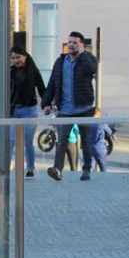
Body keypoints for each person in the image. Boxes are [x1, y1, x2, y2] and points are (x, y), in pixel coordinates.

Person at [42, 31, 99, 181]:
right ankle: (57, 170)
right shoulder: (60, 62)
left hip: (84, 109)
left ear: (82, 45)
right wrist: (46, 103)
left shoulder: (87, 59)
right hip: (65, 110)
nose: (71, 45)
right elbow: (52, 84)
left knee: (86, 141)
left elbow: (92, 69)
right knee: (61, 141)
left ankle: (86, 170)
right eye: (69, 42)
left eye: (75, 42)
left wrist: (84, 54)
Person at [9, 46, 46, 177]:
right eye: (13, 58)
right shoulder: (10, 72)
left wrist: (46, 105)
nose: (15, 60)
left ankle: (30, 168)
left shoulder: (32, 71)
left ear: (25, 57)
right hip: (13, 111)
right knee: (11, 141)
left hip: (29, 110)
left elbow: (42, 88)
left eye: (18, 57)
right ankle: (7, 168)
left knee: (27, 142)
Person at [90, 107, 114, 172]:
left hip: (89, 147)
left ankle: (87, 179)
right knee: (103, 166)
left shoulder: (88, 122)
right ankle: (103, 180)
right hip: (100, 148)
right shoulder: (101, 123)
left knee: (89, 166)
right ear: (99, 114)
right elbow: (109, 132)